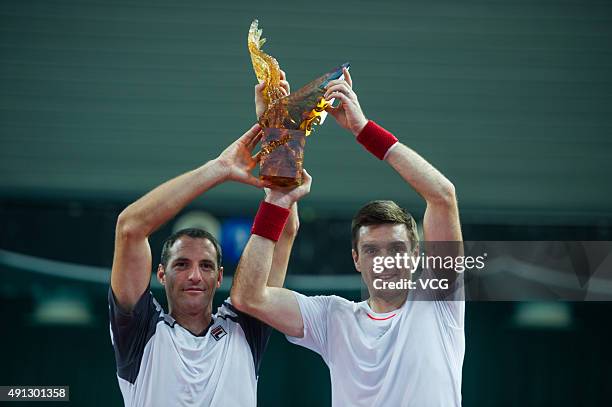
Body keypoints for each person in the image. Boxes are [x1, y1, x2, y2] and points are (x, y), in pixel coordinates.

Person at [231, 67, 464, 406]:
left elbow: (443, 195)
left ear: (417, 256)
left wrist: (363, 129)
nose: (385, 260)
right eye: (371, 251)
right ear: (356, 259)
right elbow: (249, 297)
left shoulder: (440, 300)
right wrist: (278, 138)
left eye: (397, 249)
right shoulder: (333, 319)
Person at [108, 77, 298, 406]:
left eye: (206, 266)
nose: (195, 275)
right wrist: (219, 168)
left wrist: (277, 129)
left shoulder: (246, 325)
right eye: (182, 264)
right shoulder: (138, 331)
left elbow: (283, 229)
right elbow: (130, 227)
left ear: (220, 276)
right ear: (161, 274)